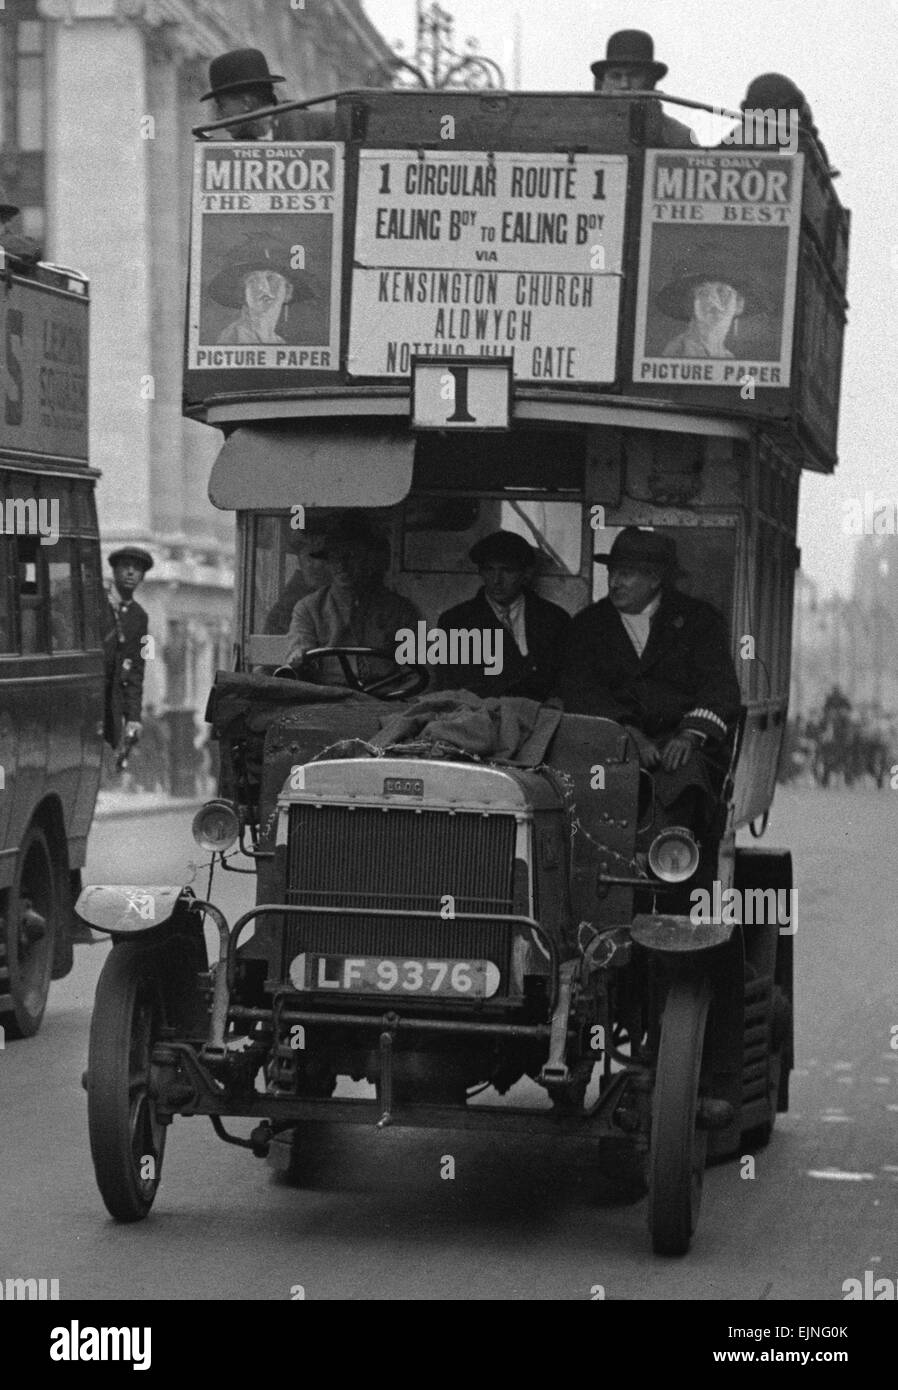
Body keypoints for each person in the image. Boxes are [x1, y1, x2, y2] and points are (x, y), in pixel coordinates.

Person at [554, 527, 741, 834]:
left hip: (679, 747)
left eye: (626, 574)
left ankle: (669, 864)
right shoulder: (587, 626)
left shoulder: (699, 621)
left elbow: (720, 690)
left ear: (655, 579)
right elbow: (578, 689)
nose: (615, 582)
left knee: (684, 779)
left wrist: (689, 736)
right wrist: (628, 734)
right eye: (612, 572)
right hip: (608, 744)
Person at [432, 530, 571, 700]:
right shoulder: (455, 622)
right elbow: (448, 690)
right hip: (479, 718)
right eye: (489, 570)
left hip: (542, 718)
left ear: (526, 573)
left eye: (507, 570)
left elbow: (567, 683)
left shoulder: (555, 620)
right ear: (481, 572)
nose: (497, 580)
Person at [285, 514, 421, 687]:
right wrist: (298, 657)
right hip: (327, 701)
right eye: (334, 557)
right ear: (328, 562)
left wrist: (404, 705)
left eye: (351, 556)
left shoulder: (399, 610)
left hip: (384, 702)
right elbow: (299, 653)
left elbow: (417, 670)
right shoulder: (308, 609)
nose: (342, 565)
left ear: (368, 559)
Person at [590, 30, 695, 147]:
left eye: (634, 75)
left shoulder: (679, 137)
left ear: (651, 81)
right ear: (603, 83)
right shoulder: (576, 127)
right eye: (616, 76)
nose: (624, 85)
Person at [657, 251, 764, 359]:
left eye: (723, 292)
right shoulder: (678, 351)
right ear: (691, 304)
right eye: (703, 293)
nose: (713, 300)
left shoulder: (728, 357)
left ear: (739, 305)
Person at [207, 238, 314, 346]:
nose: (264, 287)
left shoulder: (279, 342)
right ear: (243, 293)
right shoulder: (234, 337)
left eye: (271, 278)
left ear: (288, 291)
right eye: (253, 280)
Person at [103, 546, 153, 759]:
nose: (131, 572)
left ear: (142, 576)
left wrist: (134, 717)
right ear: (114, 571)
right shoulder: (98, 604)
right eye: (125, 567)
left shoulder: (141, 618)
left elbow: (138, 669)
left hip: (112, 703)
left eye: (137, 569)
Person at [201, 48, 286, 141]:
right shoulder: (233, 147)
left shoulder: (299, 125)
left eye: (222, 106)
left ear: (247, 102)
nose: (218, 117)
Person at [264, 529, 332, 635]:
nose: (314, 564)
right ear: (300, 560)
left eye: (320, 556)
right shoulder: (288, 604)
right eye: (308, 557)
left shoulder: (339, 598)